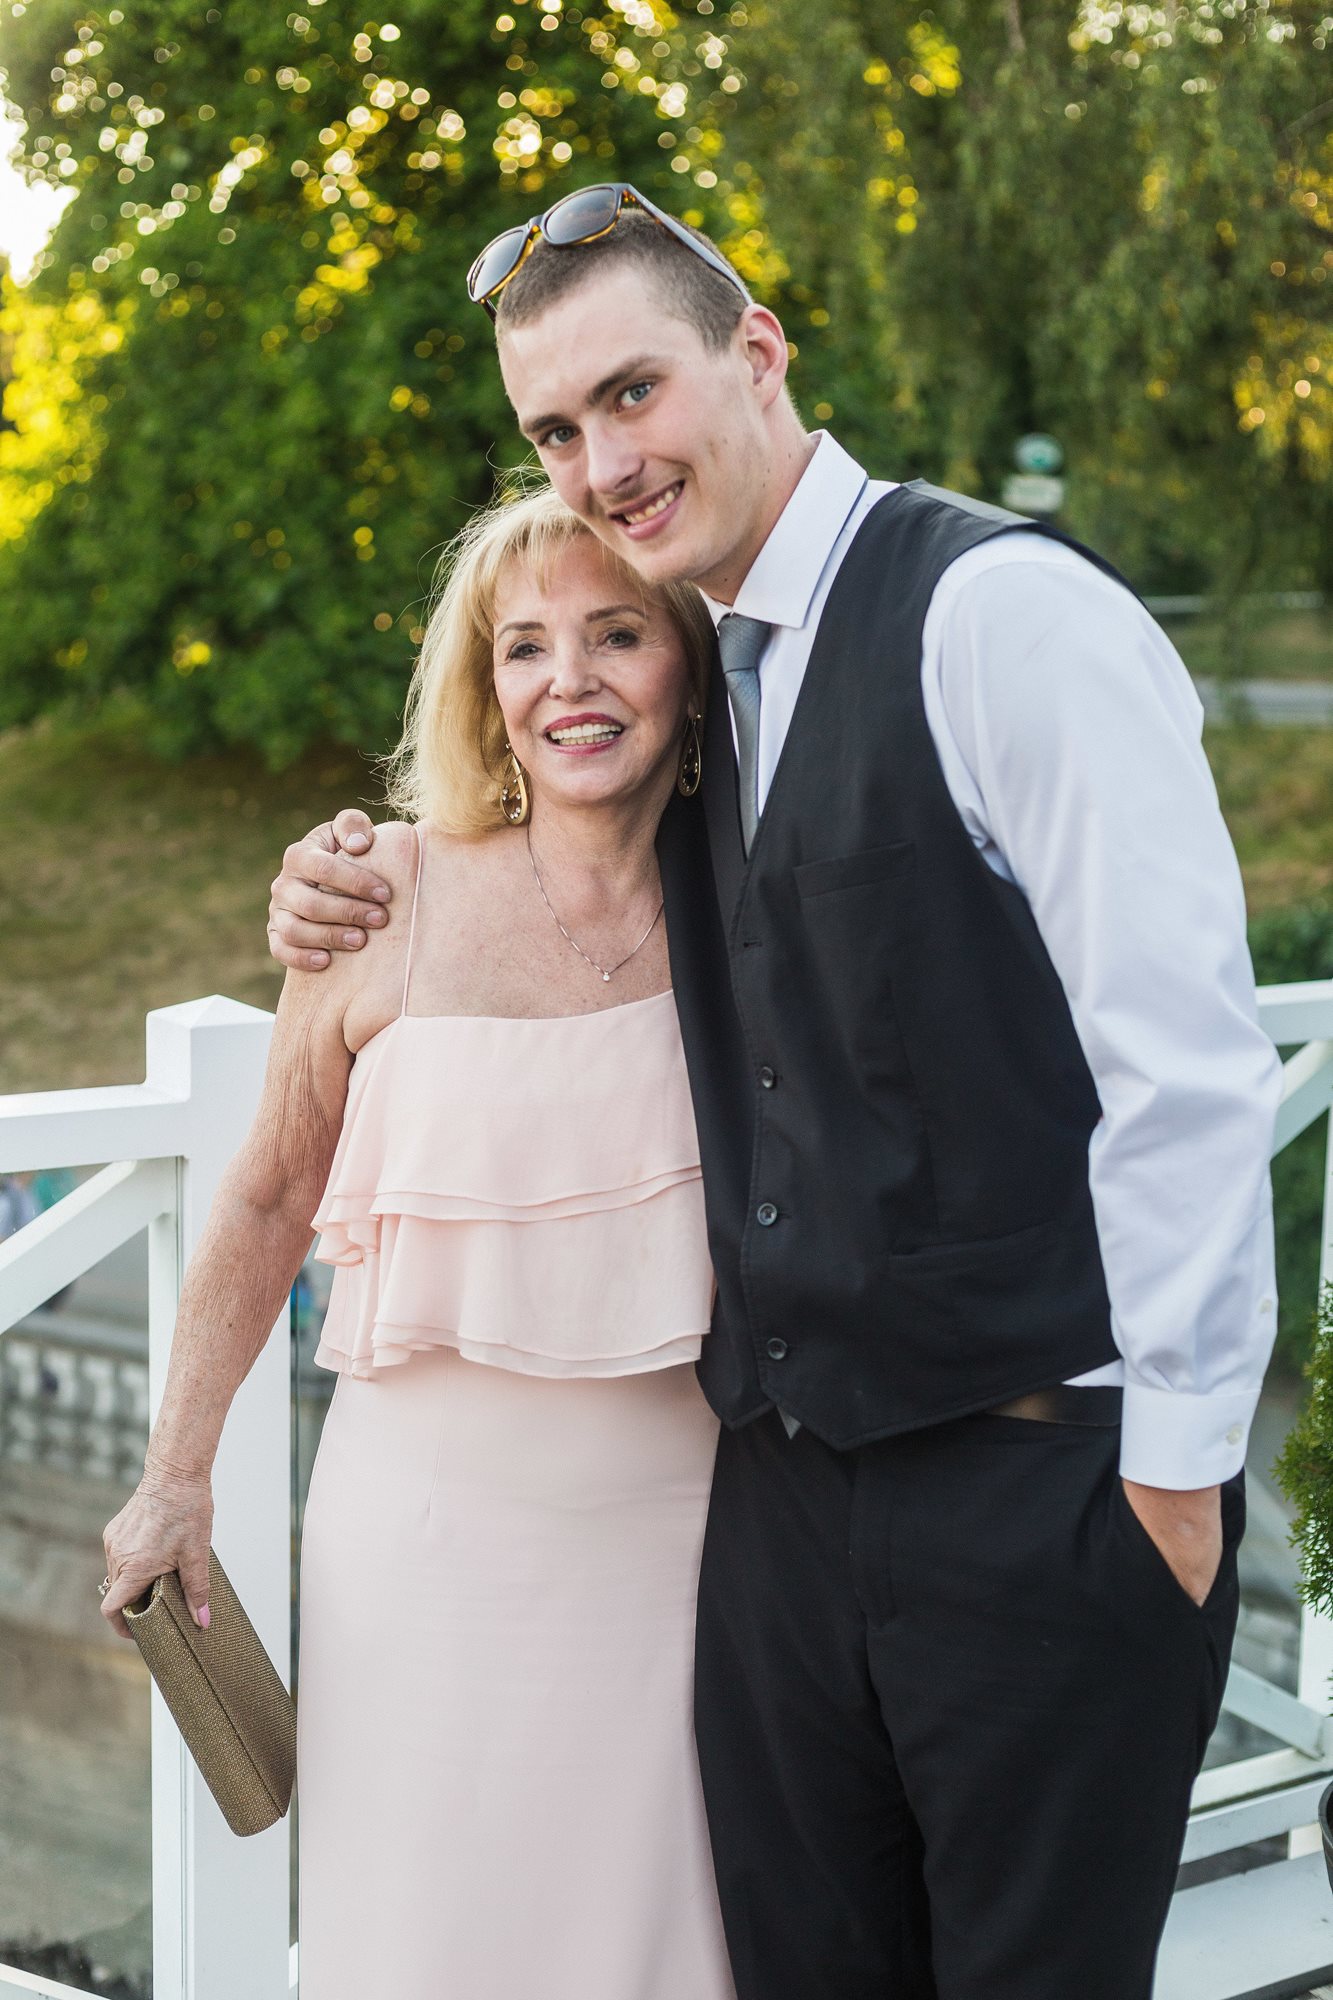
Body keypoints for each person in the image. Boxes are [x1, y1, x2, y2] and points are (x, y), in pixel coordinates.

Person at [268, 187, 1282, 1999]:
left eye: (630, 393)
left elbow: (1187, 1071)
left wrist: (1173, 1492)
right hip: (782, 1523)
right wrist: (351, 878)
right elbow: (544, 861)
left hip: (1038, 1496)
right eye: (554, 432)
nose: (601, 464)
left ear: (756, 353)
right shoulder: (695, 674)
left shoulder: (999, 615)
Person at [100, 486, 736, 2000]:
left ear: (692, 665)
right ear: (484, 689)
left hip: (698, 1546)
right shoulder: (377, 896)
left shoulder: (757, 901)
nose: (568, 681)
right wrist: (173, 1477)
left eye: (617, 634)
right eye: (524, 648)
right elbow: (267, 1194)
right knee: (426, 1936)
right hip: (424, 1552)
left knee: (669, 1938)